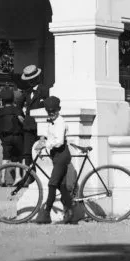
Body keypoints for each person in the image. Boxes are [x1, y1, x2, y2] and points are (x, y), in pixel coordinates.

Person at [33, 96, 76, 225]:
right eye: (48, 111)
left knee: (52, 184)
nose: (51, 113)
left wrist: (45, 145)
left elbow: (59, 142)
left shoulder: (60, 122)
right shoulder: (52, 121)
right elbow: (49, 135)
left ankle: (46, 213)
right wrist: (42, 140)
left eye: (53, 111)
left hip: (62, 155)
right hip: (56, 156)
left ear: (59, 110)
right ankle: (70, 212)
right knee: (61, 185)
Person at [17, 65, 48, 165]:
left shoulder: (45, 90)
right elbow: (18, 104)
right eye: (29, 80)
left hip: (41, 126)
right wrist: (19, 115)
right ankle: (29, 176)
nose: (30, 81)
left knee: (40, 151)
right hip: (28, 126)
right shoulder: (27, 91)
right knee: (27, 152)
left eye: (32, 79)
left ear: (37, 78)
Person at [0, 88, 24, 169]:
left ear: (2, 100)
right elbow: (21, 119)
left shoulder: (0, 111)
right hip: (18, 136)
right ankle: (18, 176)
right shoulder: (17, 109)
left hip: (6, 137)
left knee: (5, 157)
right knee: (19, 157)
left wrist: (0, 138)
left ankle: (3, 177)